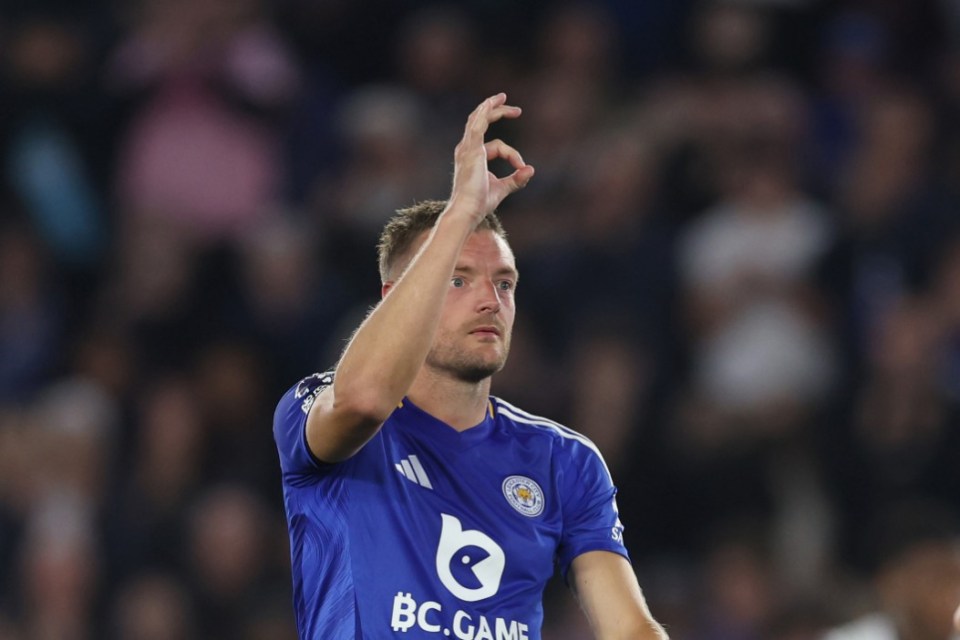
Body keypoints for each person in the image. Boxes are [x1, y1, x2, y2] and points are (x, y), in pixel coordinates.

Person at [273, 93, 669, 639]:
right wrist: (461, 210)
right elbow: (363, 399)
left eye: (503, 283)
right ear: (396, 296)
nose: (491, 301)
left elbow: (632, 631)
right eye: (458, 279)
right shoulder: (316, 406)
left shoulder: (564, 461)